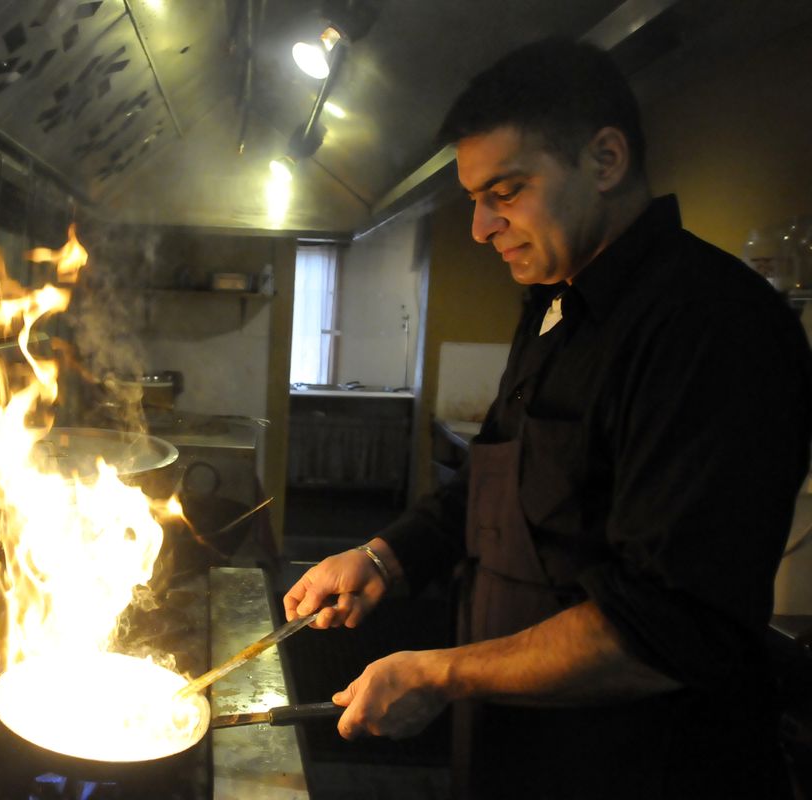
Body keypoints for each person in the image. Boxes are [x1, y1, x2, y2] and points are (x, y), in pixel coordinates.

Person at [283, 37, 812, 799]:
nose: (480, 227)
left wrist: (442, 670)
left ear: (604, 159)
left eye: (505, 191)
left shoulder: (712, 327)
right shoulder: (557, 306)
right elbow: (492, 486)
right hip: (521, 747)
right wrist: (381, 557)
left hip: (642, 769)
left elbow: (668, 628)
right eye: (473, 199)